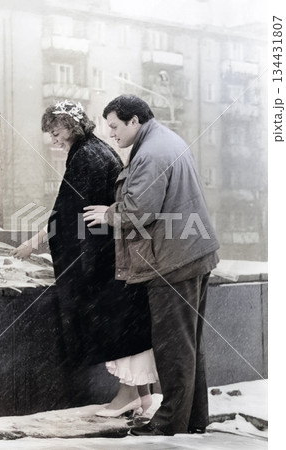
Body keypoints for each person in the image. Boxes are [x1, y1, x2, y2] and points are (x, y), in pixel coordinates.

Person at [83, 94, 220, 436]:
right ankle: (192, 418)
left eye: (115, 126)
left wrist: (108, 213)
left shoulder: (151, 153)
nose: (111, 133)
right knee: (189, 345)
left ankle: (169, 423)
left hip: (172, 260)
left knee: (173, 346)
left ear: (134, 121)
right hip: (190, 253)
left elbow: (140, 211)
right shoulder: (165, 140)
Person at [11, 99, 157, 415]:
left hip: (107, 257)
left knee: (118, 327)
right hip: (119, 252)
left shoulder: (86, 157)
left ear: (72, 126)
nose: (53, 138)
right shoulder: (96, 149)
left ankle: (128, 393)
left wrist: (34, 244)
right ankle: (142, 396)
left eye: (56, 130)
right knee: (130, 325)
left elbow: (67, 214)